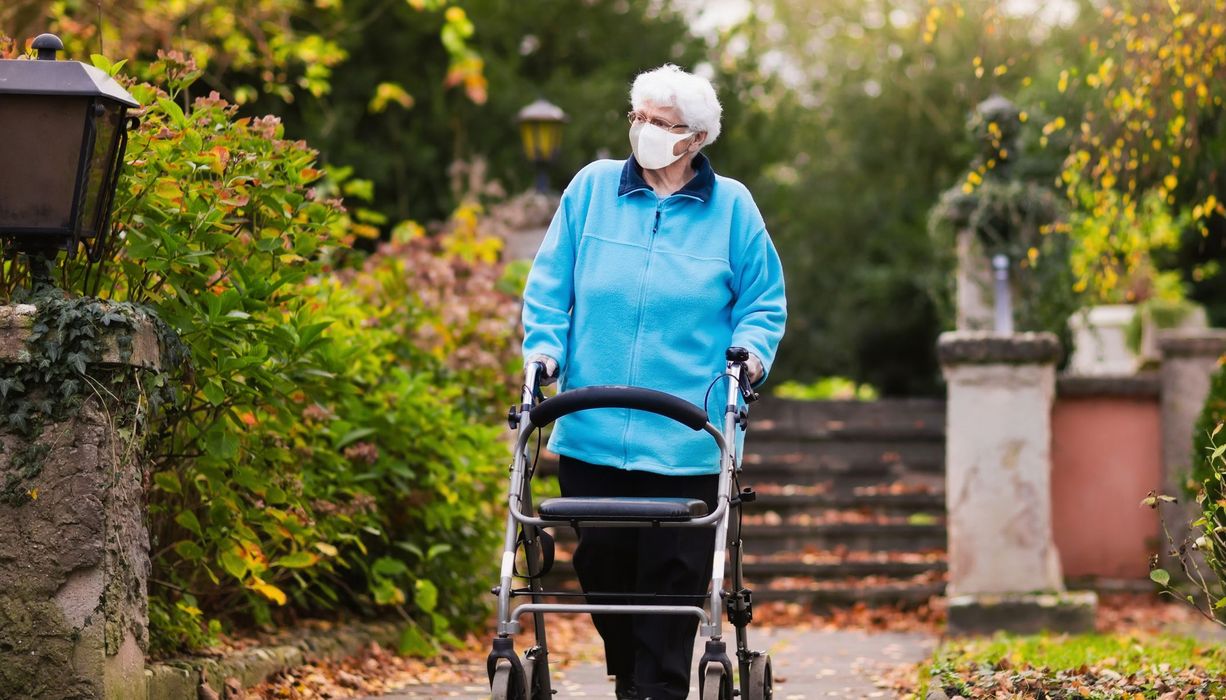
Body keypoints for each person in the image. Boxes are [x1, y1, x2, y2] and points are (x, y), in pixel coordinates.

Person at [521, 63, 787, 700]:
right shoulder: (589, 191)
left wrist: (748, 355)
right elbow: (548, 289)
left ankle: (657, 688)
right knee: (604, 568)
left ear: (694, 138)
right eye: (636, 116)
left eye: (659, 122)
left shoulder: (733, 209)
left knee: (673, 581)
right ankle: (632, 679)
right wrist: (544, 354)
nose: (642, 130)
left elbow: (763, 301)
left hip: (688, 437)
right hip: (594, 425)